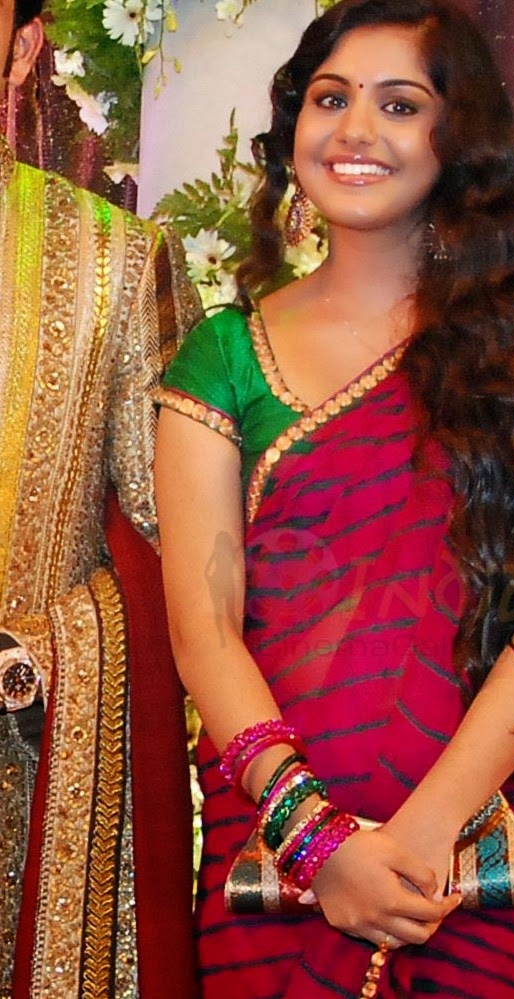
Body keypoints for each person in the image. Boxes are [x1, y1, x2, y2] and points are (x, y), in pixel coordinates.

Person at [155, 1, 514, 996]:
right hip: (278, 866)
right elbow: (203, 627)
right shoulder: (223, 356)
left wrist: (426, 833)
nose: (355, 130)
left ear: (458, 135)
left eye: (399, 104)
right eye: (330, 99)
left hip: (488, 859)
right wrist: (317, 843)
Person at [0, 1, 204, 995]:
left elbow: (182, 543)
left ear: (22, 50)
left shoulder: (116, 265)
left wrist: (49, 650)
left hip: (29, 762)